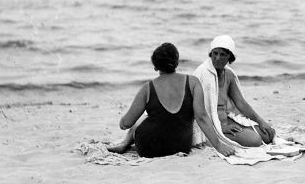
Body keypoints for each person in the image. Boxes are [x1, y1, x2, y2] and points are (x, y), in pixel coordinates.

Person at [107, 43, 235, 158]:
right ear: (176, 63)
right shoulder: (193, 83)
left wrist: (122, 122)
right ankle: (125, 143)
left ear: (155, 67)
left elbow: (126, 123)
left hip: (148, 148)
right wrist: (219, 145)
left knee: (142, 119)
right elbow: (202, 117)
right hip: (181, 146)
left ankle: (125, 143)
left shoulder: (147, 88)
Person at [192, 35, 275, 147]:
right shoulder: (202, 73)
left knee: (268, 135)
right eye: (215, 53)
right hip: (210, 126)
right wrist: (221, 127)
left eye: (223, 55)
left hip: (226, 120)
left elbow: (241, 103)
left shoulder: (229, 74)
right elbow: (199, 112)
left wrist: (261, 121)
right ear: (210, 54)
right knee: (255, 140)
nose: (217, 58)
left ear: (230, 58)